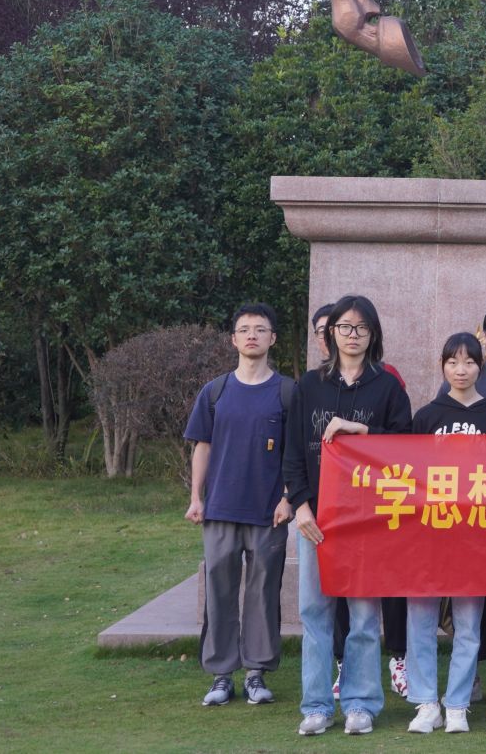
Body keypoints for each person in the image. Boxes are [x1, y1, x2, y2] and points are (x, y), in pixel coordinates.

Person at [285, 294, 414, 736]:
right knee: (315, 613)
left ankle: (361, 703)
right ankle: (317, 706)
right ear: (330, 333)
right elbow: (292, 453)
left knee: (363, 616)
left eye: (361, 327)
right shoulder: (310, 386)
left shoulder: (388, 388)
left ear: (372, 334)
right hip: (316, 519)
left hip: (366, 521)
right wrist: (301, 506)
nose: (352, 335)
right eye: (344, 327)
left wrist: (362, 430)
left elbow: (406, 448)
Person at [183, 303, 294, 710]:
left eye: (260, 329)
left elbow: (294, 454)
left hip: (269, 512)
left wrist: (287, 498)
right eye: (244, 329)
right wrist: (196, 497)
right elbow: (203, 446)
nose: (252, 335)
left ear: (272, 338)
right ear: (233, 339)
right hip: (220, 508)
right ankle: (221, 674)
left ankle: (255, 673)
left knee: (263, 592)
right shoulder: (215, 392)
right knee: (220, 589)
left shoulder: (287, 392)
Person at [405, 333, 486, 734]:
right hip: (429, 534)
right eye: (452, 362)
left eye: (468, 362)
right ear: (442, 366)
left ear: (480, 366)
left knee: (468, 623)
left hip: (476, 536)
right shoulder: (427, 416)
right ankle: (426, 703)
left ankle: (458, 705)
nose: (460, 370)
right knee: (420, 620)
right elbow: (409, 473)